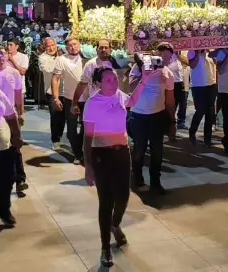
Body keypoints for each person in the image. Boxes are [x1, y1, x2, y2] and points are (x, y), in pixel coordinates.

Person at [82, 66, 154, 267]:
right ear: (97, 84)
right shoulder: (92, 103)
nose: (113, 83)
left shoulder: (119, 95)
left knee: (123, 197)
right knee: (106, 201)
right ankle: (105, 247)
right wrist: (88, 166)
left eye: (114, 79)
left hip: (122, 152)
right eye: (108, 80)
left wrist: (145, 80)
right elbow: (87, 139)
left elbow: (132, 100)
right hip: (101, 155)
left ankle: (115, 225)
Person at [128, 43, 176, 194]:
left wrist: (172, 121)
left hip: (157, 116)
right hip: (138, 116)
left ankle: (156, 182)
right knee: (139, 149)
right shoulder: (137, 68)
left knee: (157, 151)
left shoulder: (167, 72)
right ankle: (137, 179)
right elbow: (130, 88)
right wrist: (145, 73)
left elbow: (170, 99)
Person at [0, 46, 28, 194]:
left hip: (11, 116)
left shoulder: (14, 73)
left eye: (2, 54)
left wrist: (21, 113)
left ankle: (20, 179)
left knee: (15, 146)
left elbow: (18, 94)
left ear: (7, 56)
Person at [51, 38, 87, 163]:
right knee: (71, 129)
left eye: (75, 44)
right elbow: (55, 79)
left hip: (87, 99)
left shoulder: (87, 59)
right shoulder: (62, 59)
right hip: (70, 98)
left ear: (80, 45)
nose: (73, 47)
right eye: (70, 45)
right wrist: (56, 98)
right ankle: (77, 153)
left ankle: (82, 151)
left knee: (86, 126)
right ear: (66, 48)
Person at [74, 39, 121, 105]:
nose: (103, 50)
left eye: (106, 47)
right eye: (101, 47)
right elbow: (82, 84)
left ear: (111, 50)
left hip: (113, 103)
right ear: (96, 49)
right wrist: (74, 103)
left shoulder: (117, 64)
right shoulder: (90, 64)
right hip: (96, 103)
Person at [39, 37, 65, 149]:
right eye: (48, 46)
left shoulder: (61, 56)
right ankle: (55, 139)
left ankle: (59, 136)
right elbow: (50, 69)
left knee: (63, 116)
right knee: (55, 116)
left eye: (53, 45)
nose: (51, 48)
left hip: (64, 90)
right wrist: (60, 60)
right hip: (51, 91)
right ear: (44, 47)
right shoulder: (42, 58)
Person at [187, 49, 217, 147]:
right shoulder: (192, 52)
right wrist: (199, 52)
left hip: (211, 84)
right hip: (198, 85)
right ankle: (192, 132)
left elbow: (217, 64)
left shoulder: (211, 51)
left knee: (210, 112)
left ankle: (207, 139)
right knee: (200, 111)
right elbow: (192, 65)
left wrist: (212, 52)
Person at [165, 50, 189, 138]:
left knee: (183, 103)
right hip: (171, 83)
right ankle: (169, 125)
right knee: (172, 106)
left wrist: (178, 54)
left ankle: (180, 122)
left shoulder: (181, 54)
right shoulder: (167, 55)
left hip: (181, 82)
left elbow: (188, 63)